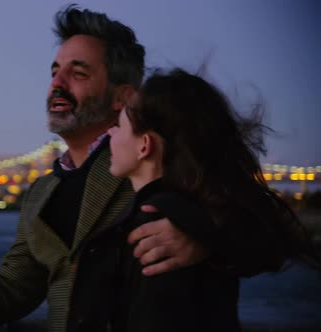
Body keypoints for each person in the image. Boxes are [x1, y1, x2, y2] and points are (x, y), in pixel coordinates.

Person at [0, 6, 290, 332]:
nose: (57, 84)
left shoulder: (153, 168)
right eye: (55, 71)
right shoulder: (40, 192)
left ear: (123, 97)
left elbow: (270, 232)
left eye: (78, 73)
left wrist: (205, 239)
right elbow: (12, 291)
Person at [67, 68, 321, 331]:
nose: (110, 134)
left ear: (144, 145)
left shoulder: (156, 228)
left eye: (118, 125)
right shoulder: (198, 218)